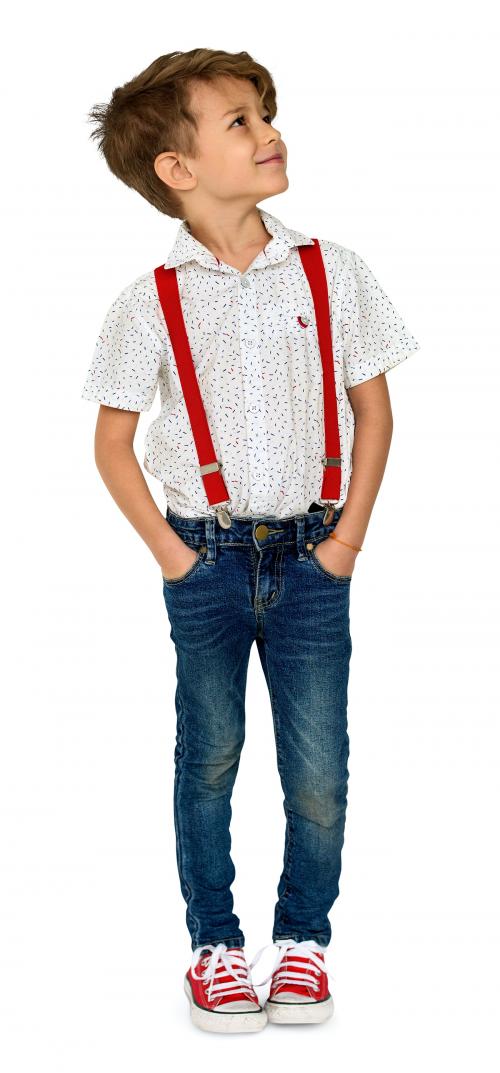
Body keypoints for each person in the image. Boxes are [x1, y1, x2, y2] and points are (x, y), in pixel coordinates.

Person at [81, 48, 420, 1034]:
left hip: (316, 559)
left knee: (319, 765)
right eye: (237, 120)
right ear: (176, 169)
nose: (267, 132)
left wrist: (347, 539)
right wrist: (172, 557)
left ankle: (302, 940)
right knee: (210, 757)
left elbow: (373, 413)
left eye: (264, 114)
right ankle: (215, 945)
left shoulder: (333, 270)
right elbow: (110, 443)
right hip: (205, 560)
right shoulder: (149, 299)